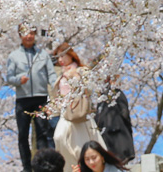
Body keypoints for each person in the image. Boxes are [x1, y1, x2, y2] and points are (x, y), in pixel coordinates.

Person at [6, 23, 57, 172]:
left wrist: (57, 86)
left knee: (42, 132)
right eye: (25, 33)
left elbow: (51, 74)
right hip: (23, 99)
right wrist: (18, 80)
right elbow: (9, 77)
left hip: (41, 98)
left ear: (35, 35)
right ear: (20, 35)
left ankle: (42, 166)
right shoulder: (14, 56)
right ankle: (26, 167)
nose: (29, 36)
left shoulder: (43, 54)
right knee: (23, 134)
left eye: (31, 33)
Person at [51, 44, 105, 172]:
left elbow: (90, 88)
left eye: (62, 55)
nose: (60, 60)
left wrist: (76, 76)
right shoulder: (61, 75)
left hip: (79, 112)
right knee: (59, 138)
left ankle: (85, 167)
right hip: (65, 113)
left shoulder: (81, 71)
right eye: (58, 57)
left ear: (70, 54)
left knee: (82, 143)